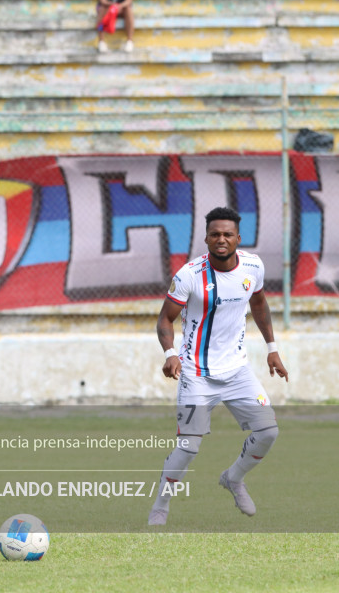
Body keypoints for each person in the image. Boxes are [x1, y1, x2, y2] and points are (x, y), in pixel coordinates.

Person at [147, 207, 288, 526]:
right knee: (189, 447)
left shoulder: (253, 265)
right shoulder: (189, 275)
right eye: (215, 234)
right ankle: (161, 504)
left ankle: (234, 478)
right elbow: (165, 319)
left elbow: (259, 303)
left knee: (269, 432)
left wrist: (272, 348)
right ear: (206, 238)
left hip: (238, 371)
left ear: (238, 237)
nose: (221, 240)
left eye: (227, 234)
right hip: (196, 374)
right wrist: (170, 353)